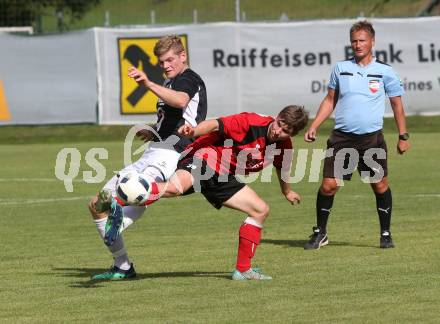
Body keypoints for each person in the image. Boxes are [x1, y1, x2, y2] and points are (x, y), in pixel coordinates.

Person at [103, 105, 309, 280]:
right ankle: (119, 202)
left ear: (292, 134)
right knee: (175, 188)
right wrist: (193, 131)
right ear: (278, 116)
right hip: (204, 157)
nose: (278, 130)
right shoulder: (252, 122)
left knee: (260, 210)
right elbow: (215, 124)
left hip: (223, 175)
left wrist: (287, 191)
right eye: (280, 123)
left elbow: (282, 169)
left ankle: (243, 270)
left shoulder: (284, 147)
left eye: (286, 130)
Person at [88, 35, 207, 280]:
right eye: (162, 62)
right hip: (154, 149)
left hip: (171, 153)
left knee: (139, 192)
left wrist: (148, 84)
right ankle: (122, 266)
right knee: (95, 205)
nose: (166, 65)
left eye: (170, 59)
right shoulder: (170, 81)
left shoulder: (189, 79)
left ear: (183, 56)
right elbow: (175, 114)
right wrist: (153, 128)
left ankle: (118, 221)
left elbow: (182, 101)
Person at [303, 20, 410, 250]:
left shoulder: (385, 71)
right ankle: (320, 232)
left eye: (362, 40)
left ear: (372, 41)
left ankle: (385, 233)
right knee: (329, 185)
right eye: (354, 40)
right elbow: (330, 99)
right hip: (342, 139)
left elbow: (397, 105)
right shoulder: (340, 68)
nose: (358, 44)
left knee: (379, 185)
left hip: (371, 139)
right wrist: (315, 125)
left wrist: (403, 136)